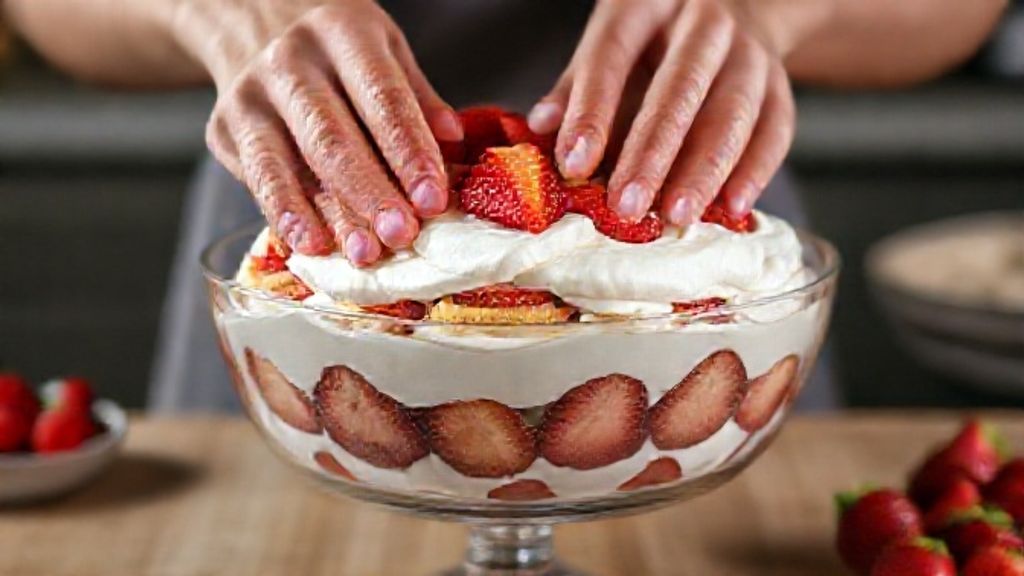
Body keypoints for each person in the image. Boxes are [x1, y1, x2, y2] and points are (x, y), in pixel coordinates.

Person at [3, 0, 1007, 412]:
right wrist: (223, 12)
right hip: (318, 240)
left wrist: (765, 12)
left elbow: (952, 16)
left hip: (681, 243)